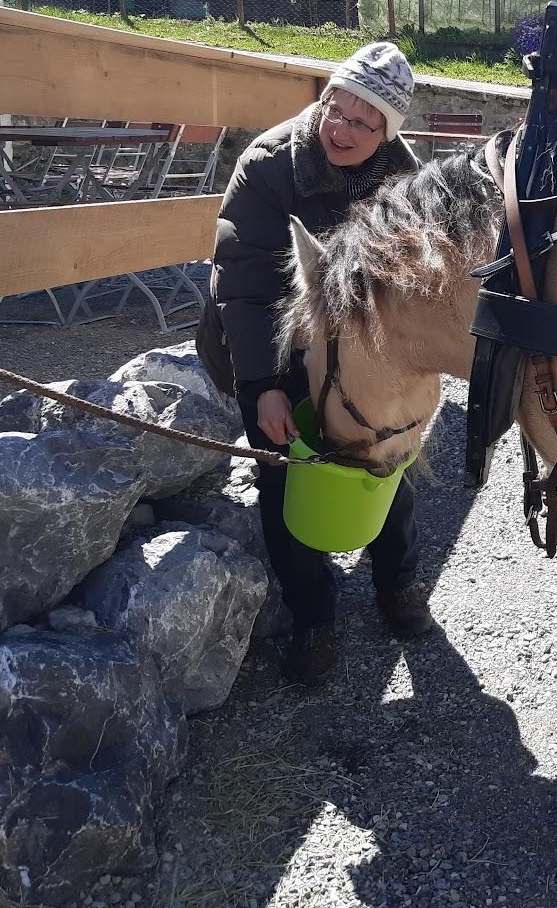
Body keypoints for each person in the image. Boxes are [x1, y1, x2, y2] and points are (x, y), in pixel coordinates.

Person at [197, 42, 435, 686]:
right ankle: (312, 616)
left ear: (388, 131)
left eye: (364, 121)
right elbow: (243, 291)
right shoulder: (270, 167)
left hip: (357, 353)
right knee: (285, 476)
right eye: (337, 106)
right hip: (267, 348)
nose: (342, 127)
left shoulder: (405, 182)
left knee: (387, 463)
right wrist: (264, 388)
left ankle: (399, 584)